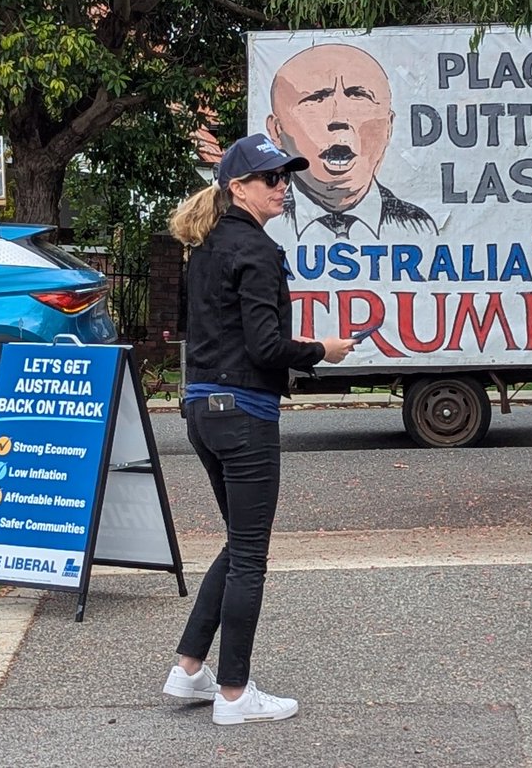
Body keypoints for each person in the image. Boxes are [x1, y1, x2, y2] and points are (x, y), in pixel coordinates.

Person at [162, 133, 356, 724]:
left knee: (237, 544)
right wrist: (323, 349)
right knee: (251, 556)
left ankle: (189, 670)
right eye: (271, 178)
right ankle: (235, 695)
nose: (282, 186)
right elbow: (266, 346)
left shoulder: (205, 247)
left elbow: (187, 329)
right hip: (244, 413)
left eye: (286, 177)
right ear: (238, 187)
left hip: (201, 408)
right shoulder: (257, 251)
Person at [265, 42, 435, 239]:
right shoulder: (263, 226)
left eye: (359, 96)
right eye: (316, 98)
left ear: (388, 126)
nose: (339, 119)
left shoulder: (421, 226)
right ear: (276, 131)